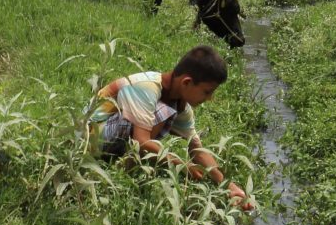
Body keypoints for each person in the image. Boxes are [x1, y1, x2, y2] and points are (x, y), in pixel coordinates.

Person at [86, 44, 253, 210]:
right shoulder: (147, 87)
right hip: (89, 137)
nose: (210, 98)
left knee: (166, 111)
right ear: (187, 82)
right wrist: (181, 165)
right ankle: (127, 167)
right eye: (207, 92)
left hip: (108, 139)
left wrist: (228, 186)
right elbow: (142, 142)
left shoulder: (180, 105)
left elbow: (197, 150)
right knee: (163, 112)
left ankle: (129, 162)